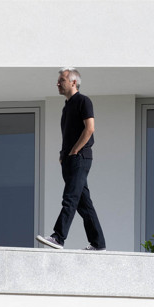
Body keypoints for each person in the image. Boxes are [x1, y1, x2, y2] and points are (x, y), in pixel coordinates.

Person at [36, 68, 107, 251]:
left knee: (70, 198)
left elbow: (89, 128)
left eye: (62, 80)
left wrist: (75, 150)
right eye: (58, 81)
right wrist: (63, 155)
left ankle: (58, 237)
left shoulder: (84, 101)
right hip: (69, 160)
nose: (58, 83)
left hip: (80, 158)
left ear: (73, 82)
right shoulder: (66, 107)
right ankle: (98, 244)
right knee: (84, 204)